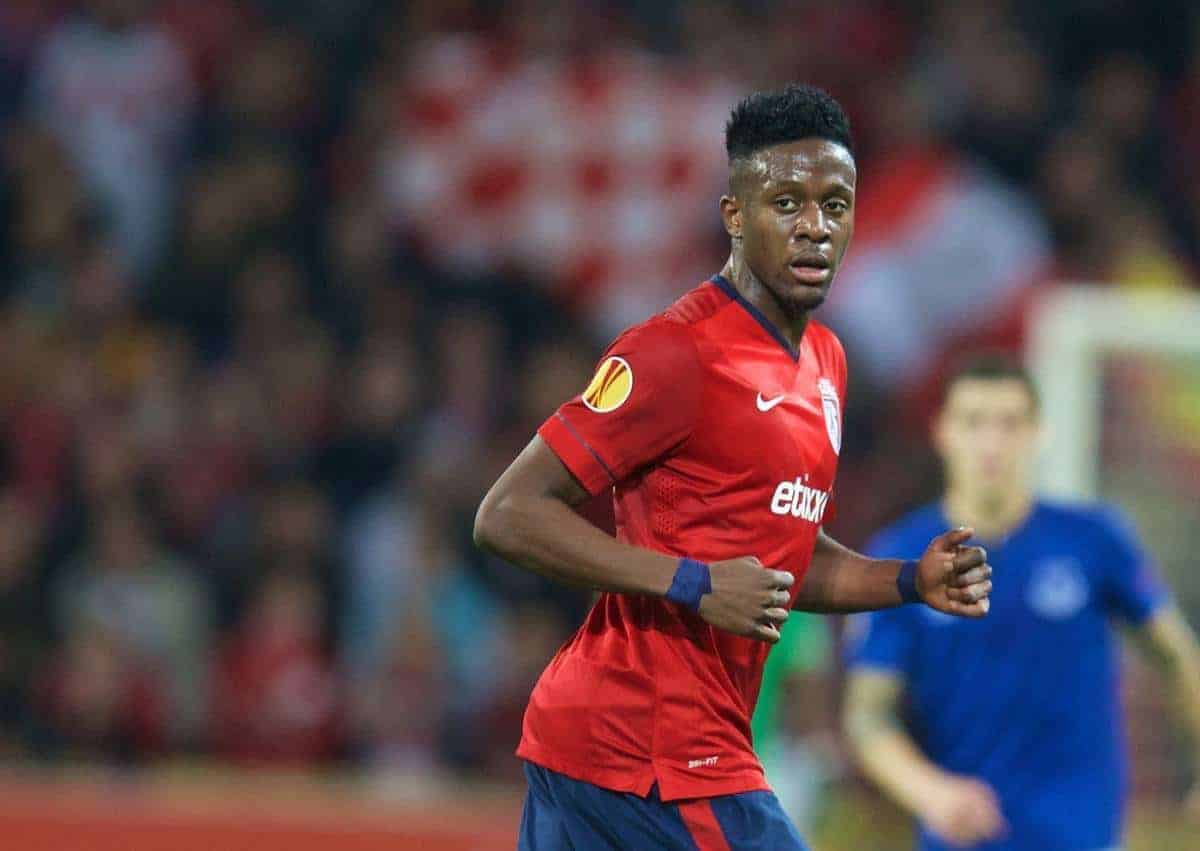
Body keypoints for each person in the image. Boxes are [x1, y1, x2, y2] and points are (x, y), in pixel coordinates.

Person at [474, 84, 995, 851]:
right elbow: (507, 514)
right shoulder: (674, 353)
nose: (815, 227)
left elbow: (783, 557)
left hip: (619, 749)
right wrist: (692, 581)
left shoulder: (827, 361)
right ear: (734, 215)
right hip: (652, 749)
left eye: (835, 203)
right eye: (786, 203)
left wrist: (910, 580)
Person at [843, 355, 1200, 850]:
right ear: (942, 432)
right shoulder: (901, 557)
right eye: (974, 422)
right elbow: (867, 717)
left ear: (1039, 433)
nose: (992, 442)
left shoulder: (1095, 540)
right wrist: (930, 792)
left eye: (1010, 423)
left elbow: (1176, 655)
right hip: (964, 836)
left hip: (1081, 836)